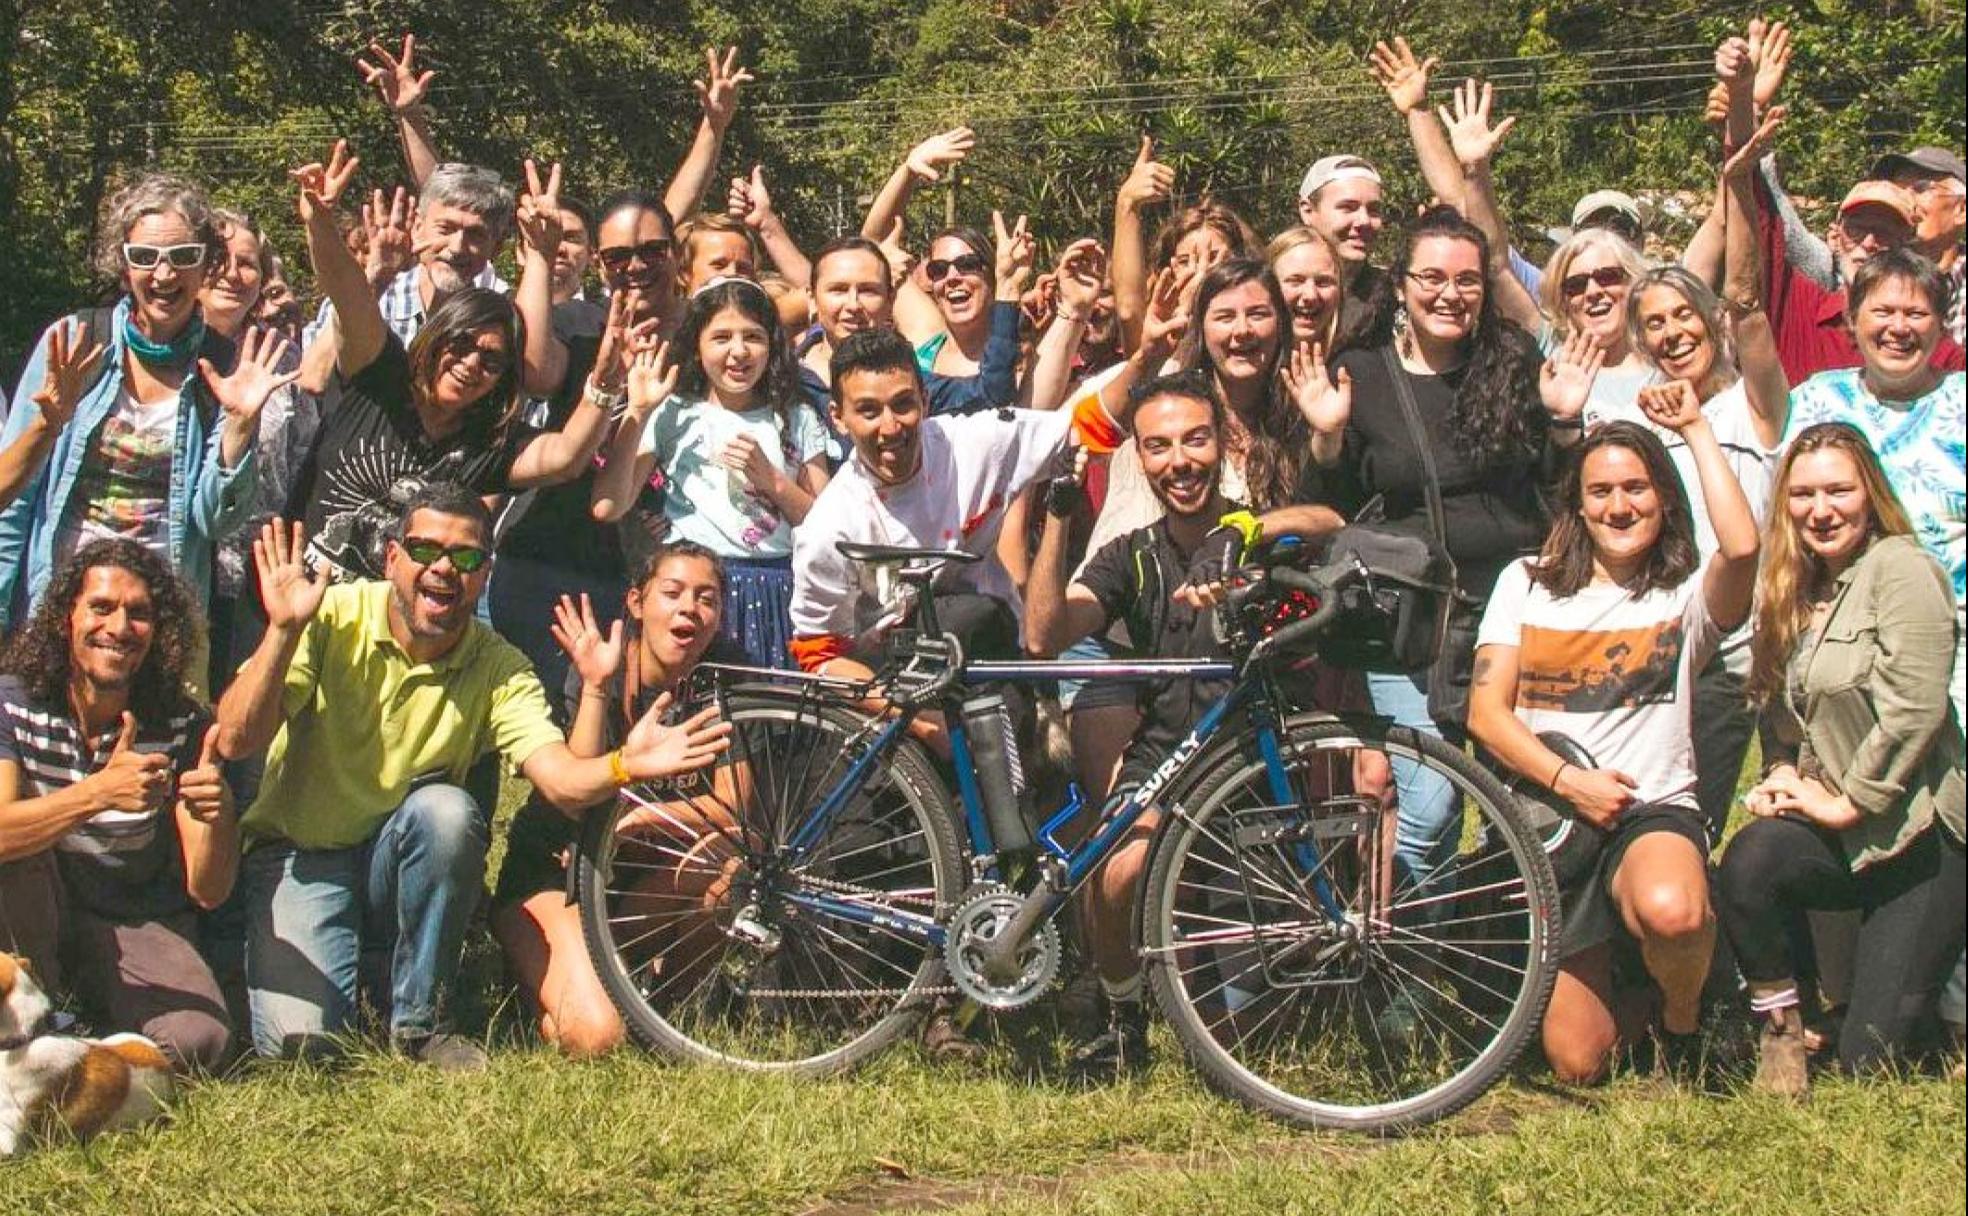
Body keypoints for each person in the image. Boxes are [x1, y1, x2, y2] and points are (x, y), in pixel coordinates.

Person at [213, 490, 730, 1068]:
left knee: (447, 812)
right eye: (424, 550)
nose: (442, 568)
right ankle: (353, 969)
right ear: (391, 560)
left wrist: (624, 766)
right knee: (301, 1053)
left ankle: (419, 1023)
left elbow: (559, 780)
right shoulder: (329, 616)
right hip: (304, 852)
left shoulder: (499, 666)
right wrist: (282, 632)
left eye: (464, 559)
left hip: (400, 857)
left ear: (484, 575)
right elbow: (236, 741)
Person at [1023, 373, 1342, 1072]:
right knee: (1119, 868)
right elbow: (1045, 635)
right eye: (1159, 447)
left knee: (1256, 1031)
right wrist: (1056, 515)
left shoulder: (1251, 525)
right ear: (1139, 457)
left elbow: (1329, 523)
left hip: (1261, 757)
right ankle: (1121, 1014)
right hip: (1170, 749)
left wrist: (1248, 529)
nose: (1180, 462)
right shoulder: (1131, 554)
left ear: (1220, 442)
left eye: (1195, 440)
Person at [1469, 404, 1759, 1084]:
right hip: (1556, 818)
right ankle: (1644, 981)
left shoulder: (1683, 594)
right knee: (1578, 1063)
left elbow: (1743, 548)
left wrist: (1695, 431)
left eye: (1637, 488)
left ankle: (1687, 1021)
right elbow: (1486, 712)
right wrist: (1570, 784)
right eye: (1601, 491)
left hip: (1648, 811)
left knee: (1673, 910)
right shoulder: (1527, 583)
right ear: (1577, 503)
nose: (1620, 505)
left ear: (1663, 496)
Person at [1552, 87, 1790, 841]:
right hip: (1682, 644)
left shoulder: (1754, 403)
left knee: (1785, 812)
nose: (1672, 332)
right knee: (1682, 819)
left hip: (1766, 639)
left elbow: (1748, 303)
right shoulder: (1649, 411)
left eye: (1684, 315)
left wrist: (1740, 177)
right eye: (1655, 326)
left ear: (1709, 320)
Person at [1301, 205, 1551, 882]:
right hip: (1408, 619)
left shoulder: (1514, 362)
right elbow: (1332, 503)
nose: (1450, 294)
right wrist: (1326, 436)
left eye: (1467, 280)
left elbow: (1551, 483)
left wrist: (1566, 420)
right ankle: (1414, 967)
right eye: (1432, 277)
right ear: (1401, 283)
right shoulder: (1360, 371)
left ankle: (1498, 950)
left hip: (1508, 616)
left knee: (1527, 805)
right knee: (1433, 805)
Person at [1715, 423, 1965, 1095]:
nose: (1820, 510)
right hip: (1840, 835)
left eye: (1838, 491)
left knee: (1868, 1067)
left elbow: (1916, 705)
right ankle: (1785, 1028)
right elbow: (1780, 713)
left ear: (1870, 495)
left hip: (1919, 835)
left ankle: (1923, 1016)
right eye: (1802, 494)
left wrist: (1849, 800)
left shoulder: (1903, 569)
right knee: (1749, 862)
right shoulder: (1795, 587)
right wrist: (1781, 773)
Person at [284, 142, 616, 583]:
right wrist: (320, 221)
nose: (471, 363)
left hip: (396, 619)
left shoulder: (480, 445)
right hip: (298, 591)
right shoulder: (379, 375)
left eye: (492, 359)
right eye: (459, 344)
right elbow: (345, 291)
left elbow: (566, 456)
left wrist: (606, 380)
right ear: (433, 338)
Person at [0, 173, 286, 630]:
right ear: (123, 265)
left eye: (183, 257)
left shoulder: (222, 367)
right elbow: (13, 500)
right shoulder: (74, 344)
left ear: (207, 265)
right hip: (60, 610)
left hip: (164, 620)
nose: (164, 274)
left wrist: (239, 426)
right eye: (145, 257)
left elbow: (213, 522)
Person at [0, 541, 237, 1072]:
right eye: (101, 608)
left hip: (132, 916)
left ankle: (72, 1046)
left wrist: (216, 817)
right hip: (31, 909)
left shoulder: (180, 723)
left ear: (160, 632)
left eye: (140, 614)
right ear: (67, 618)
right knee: (18, 853)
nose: (119, 627)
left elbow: (209, 889)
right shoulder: (12, 704)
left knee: (200, 1043)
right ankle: (48, 1020)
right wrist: (99, 793)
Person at [492, 543, 729, 1057]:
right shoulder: (605, 667)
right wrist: (597, 687)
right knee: (596, 1037)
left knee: (732, 868)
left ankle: (669, 1010)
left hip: (639, 883)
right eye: (672, 593)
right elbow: (572, 798)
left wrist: (643, 819)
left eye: (706, 598)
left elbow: (735, 812)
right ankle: (528, 973)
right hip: (559, 877)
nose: (690, 608)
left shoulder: (726, 679)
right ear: (637, 603)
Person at [591, 278, 830, 668]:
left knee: (769, 715)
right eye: (721, 337)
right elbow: (609, 506)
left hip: (779, 589)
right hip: (695, 592)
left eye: (752, 336)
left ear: (771, 346)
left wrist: (773, 481)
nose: (738, 351)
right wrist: (638, 413)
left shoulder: (798, 415)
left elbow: (825, 525)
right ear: (698, 348)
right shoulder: (672, 412)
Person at [1266, 226, 1346, 352]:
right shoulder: (1239, 366)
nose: (1311, 295)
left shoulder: (1361, 367)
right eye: (1295, 281)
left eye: (1323, 282)